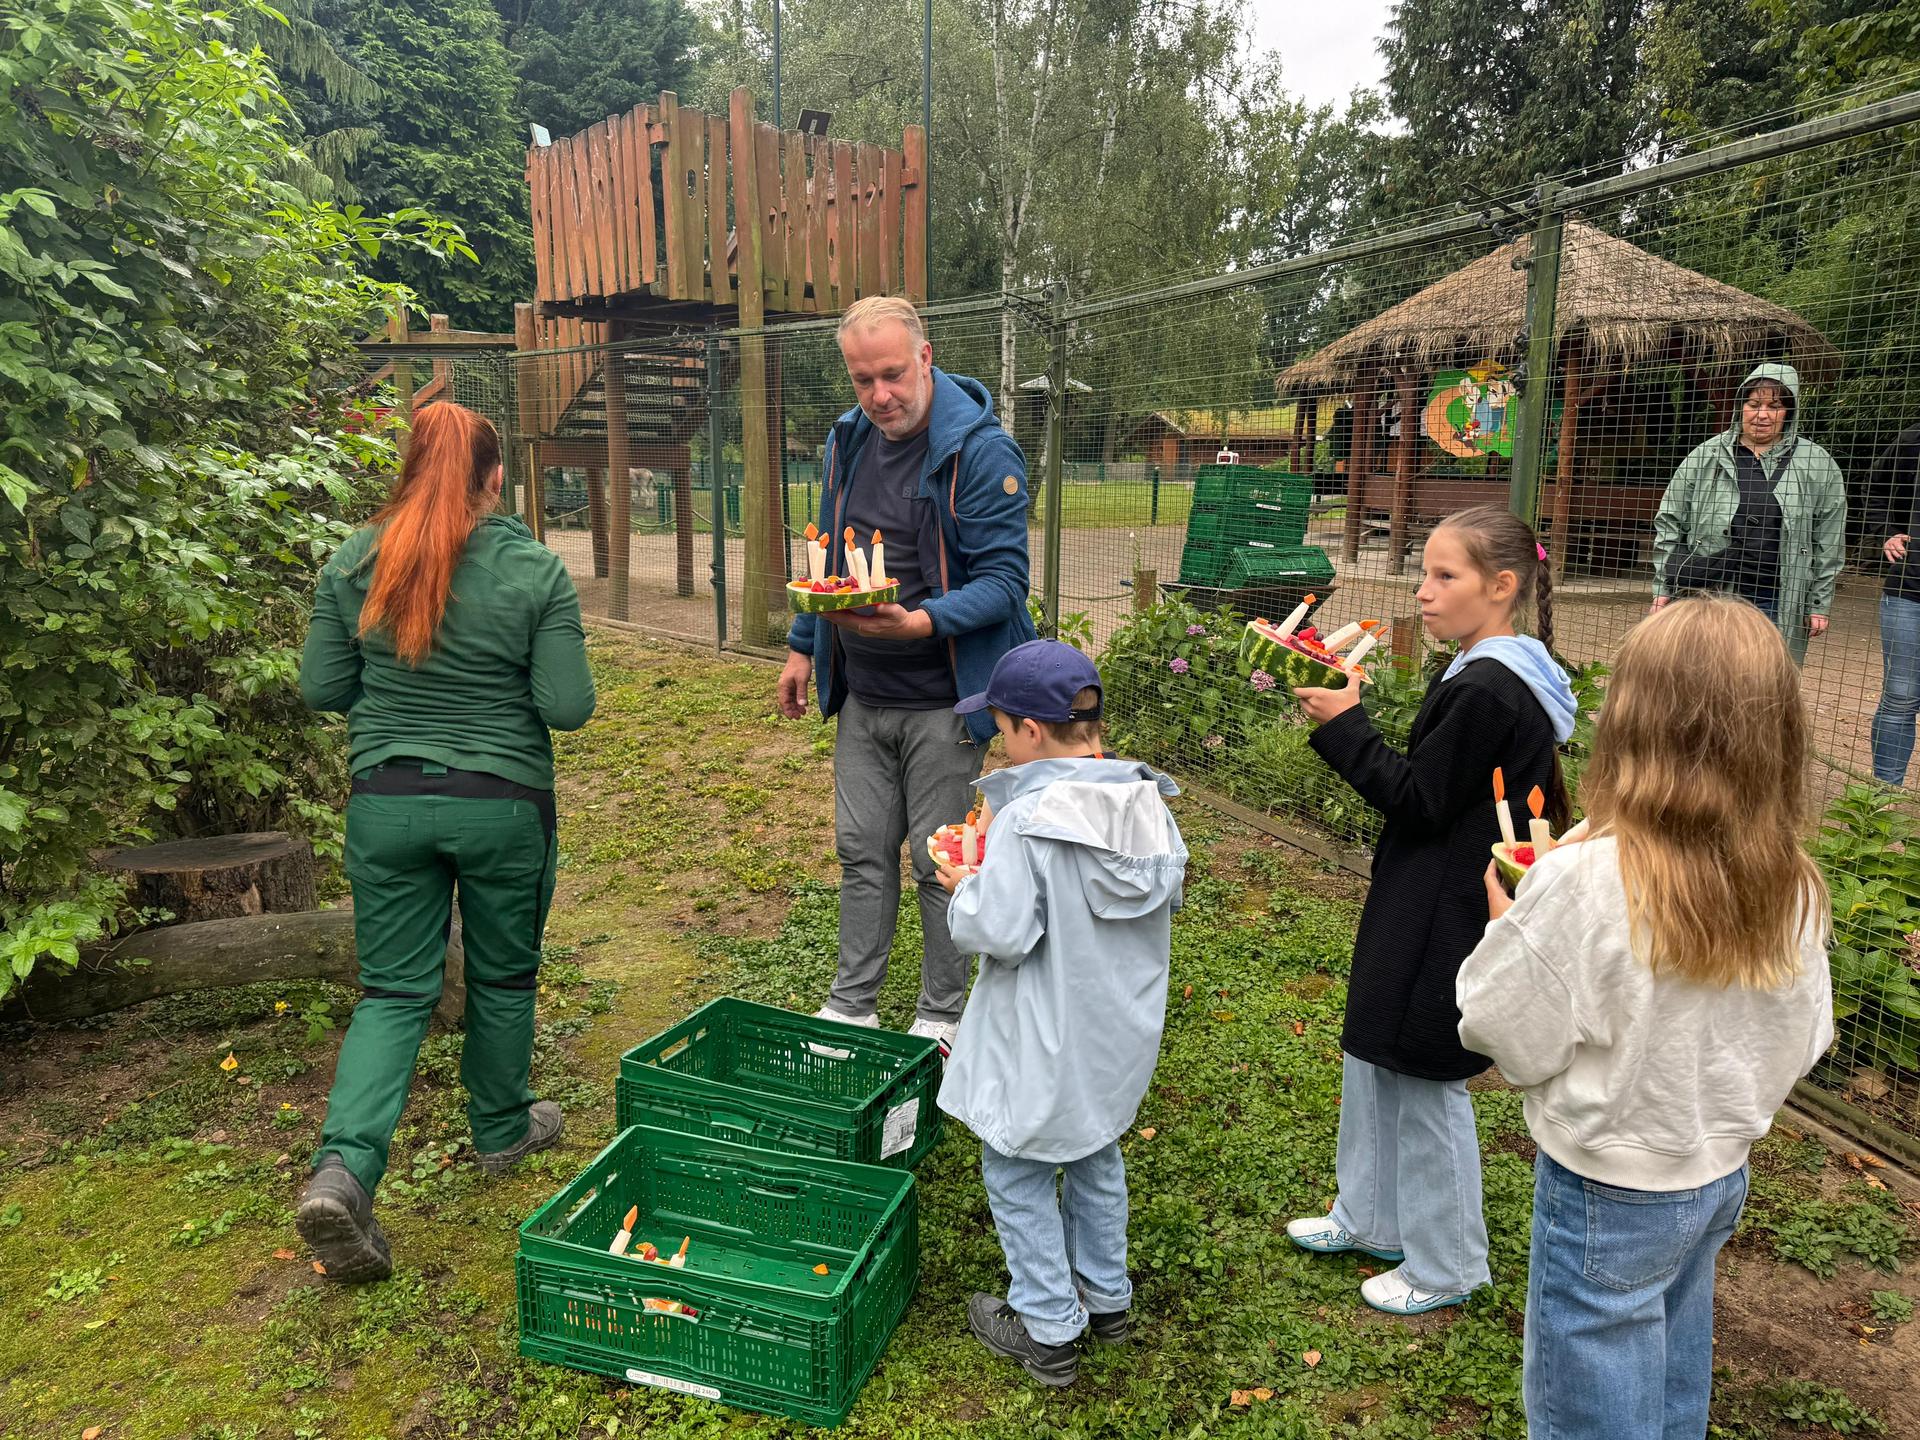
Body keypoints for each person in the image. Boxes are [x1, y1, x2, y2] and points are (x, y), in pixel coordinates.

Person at [1457, 596, 1833, 1440]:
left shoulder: (1582, 887)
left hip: (1606, 1187)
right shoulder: (1794, 881)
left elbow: (1498, 1030)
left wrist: (1508, 928)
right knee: (1670, 1350)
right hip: (1716, 1175)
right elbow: (1805, 1037)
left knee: (1589, 1396)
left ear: (1628, 721)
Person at [295, 401, 595, 1282]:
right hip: (503, 809)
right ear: (496, 477)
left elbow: (320, 687)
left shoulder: (354, 561)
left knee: (393, 992)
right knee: (502, 972)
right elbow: (567, 708)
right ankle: (501, 1129)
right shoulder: (534, 570)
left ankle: (343, 1170)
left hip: (385, 804)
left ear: (410, 467)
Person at [1287, 505, 1578, 1315]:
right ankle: (1371, 1216)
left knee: (1421, 1072)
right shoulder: (1482, 666)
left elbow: (1419, 800)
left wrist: (1348, 728)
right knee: (1373, 1050)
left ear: (1503, 585)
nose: (1423, 591)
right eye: (1425, 573)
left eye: (1445, 576)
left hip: (1444, 906)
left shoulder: (1490, 684)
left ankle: (1448, 1264)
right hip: (1420, 891)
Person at [777, 295, 1036, 1054]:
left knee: (937, 859)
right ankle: (852, 1003)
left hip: (943, 697)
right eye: (863, 379)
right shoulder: (847, 440)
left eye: (891, 374)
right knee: (861, 849)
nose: (879, 394)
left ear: (926, 357)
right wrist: (802, 641)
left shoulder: (982, 453)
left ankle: (943, 1014)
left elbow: (1004, 584)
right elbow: (830, 554)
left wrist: (921, 622)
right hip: (863, 691)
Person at [931, 639, 1188, 1386]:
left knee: (1014, 1170)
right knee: (1094, 1150)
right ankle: (1107, 1299)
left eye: (1000, 728)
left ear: (1031, 733)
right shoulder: (1147, 805)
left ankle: (1047, 1327)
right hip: (1114, 1033)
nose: (997, 742)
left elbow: (1001, 932)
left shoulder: (1027, 818)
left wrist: (964, 886)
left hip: (1040, 1033)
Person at [1650, 362, 1846, 664]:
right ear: (1740, 406)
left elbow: (1828, 538)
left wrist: (1818, 603)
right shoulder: (1706, 455)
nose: (1762, 414)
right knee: (1703, 674)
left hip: (1777, 597)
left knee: (1765, 681)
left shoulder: (1817, 462)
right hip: (1710, 593)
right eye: (1754, 404)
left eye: (1774, 406)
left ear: (1788, 412)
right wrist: (1663, 587)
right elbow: (1670, 521)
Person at [1862, 422, 1920, 785]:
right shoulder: (1913, 438)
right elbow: (1875, 489)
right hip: (1909, 590)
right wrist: (1886, 532)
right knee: (1901, 696)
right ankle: (1881, 796)